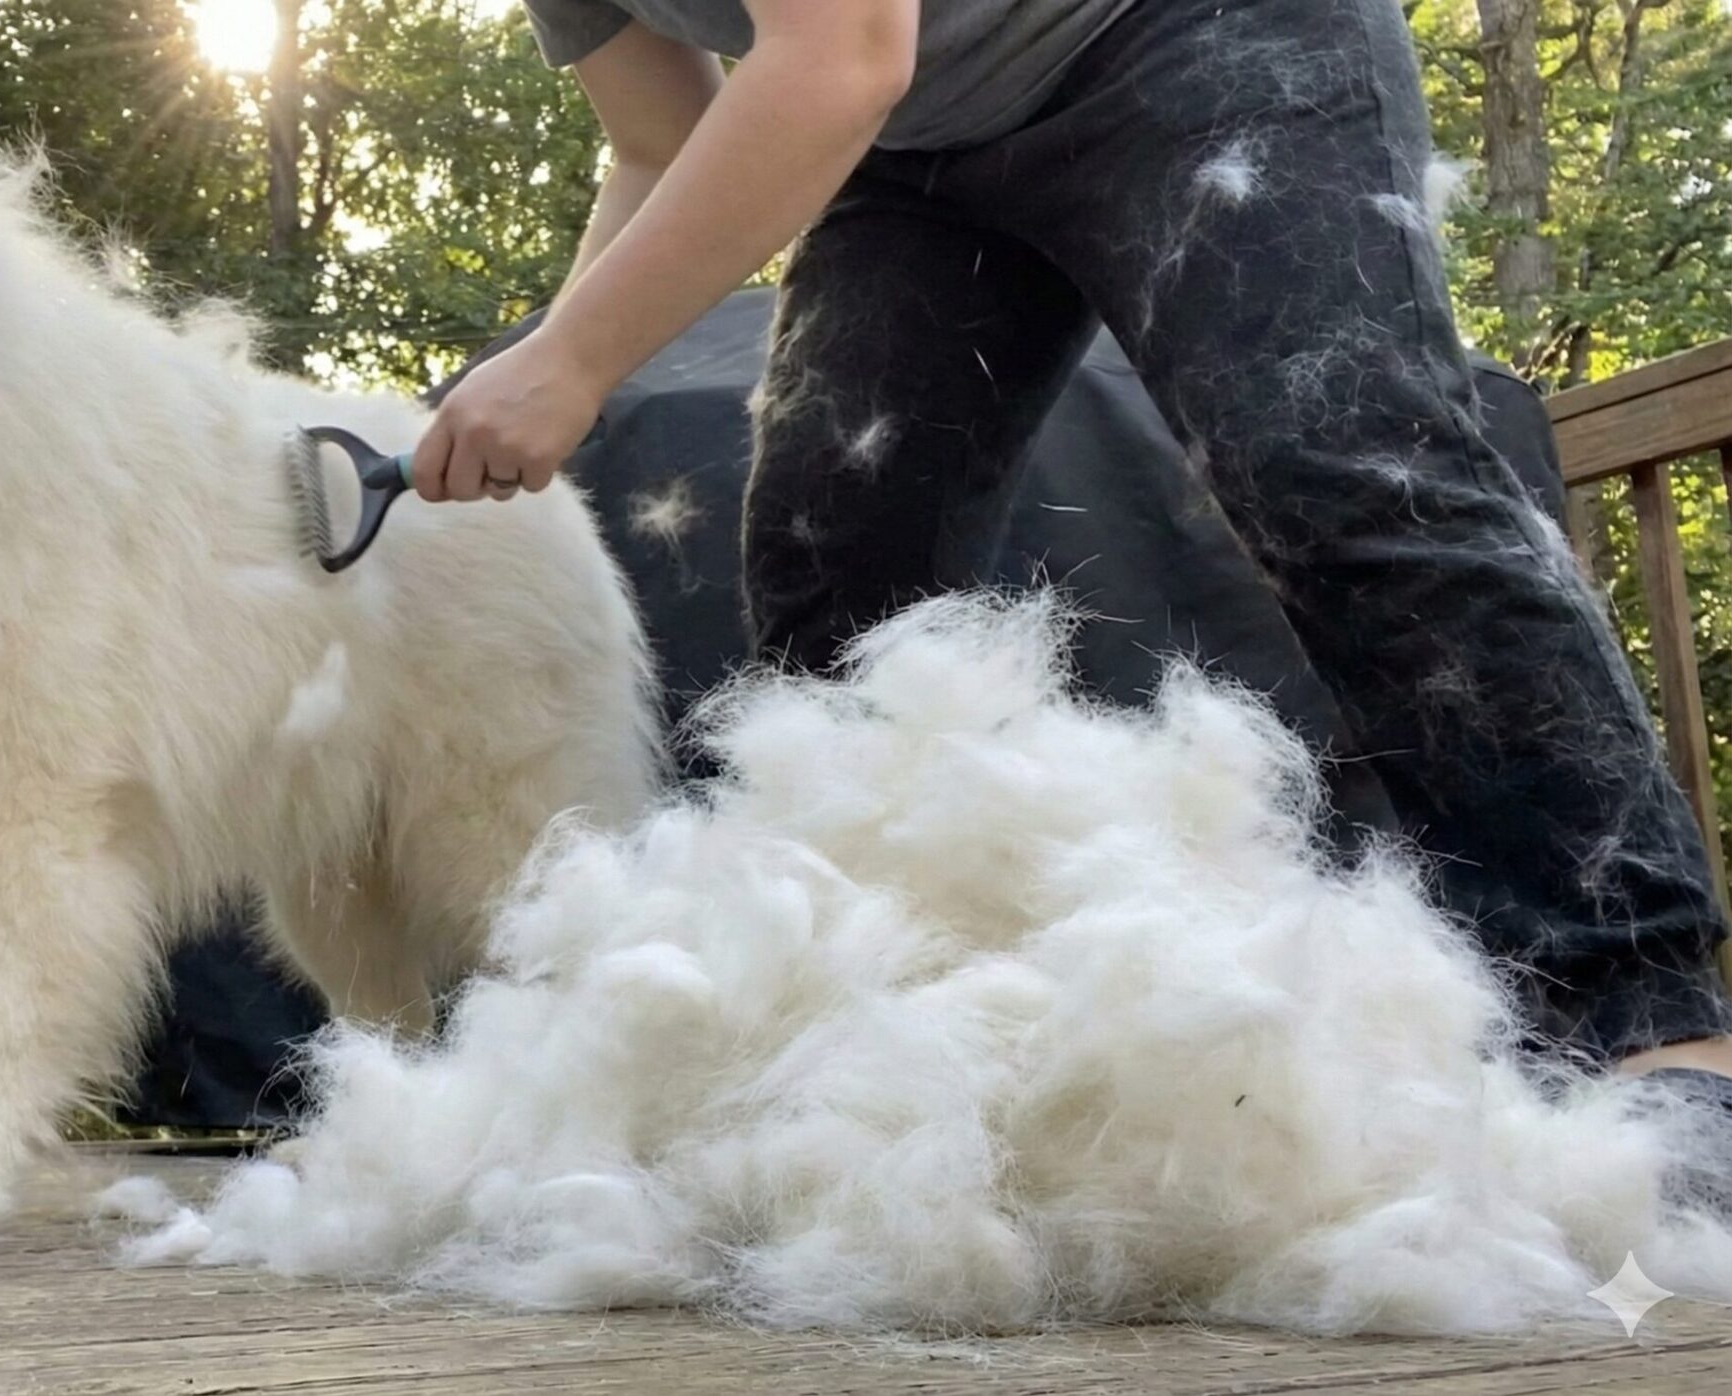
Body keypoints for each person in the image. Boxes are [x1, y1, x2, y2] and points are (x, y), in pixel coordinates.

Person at [409, 0, 1732, 1098]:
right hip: (918, 144)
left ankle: (1645, 1023)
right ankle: (874, 1045)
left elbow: (840, 53)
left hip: (1197, 31)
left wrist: (571, 364)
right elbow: (663, 142)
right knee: (838, 570)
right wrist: (560, 373)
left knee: (1335, 461)